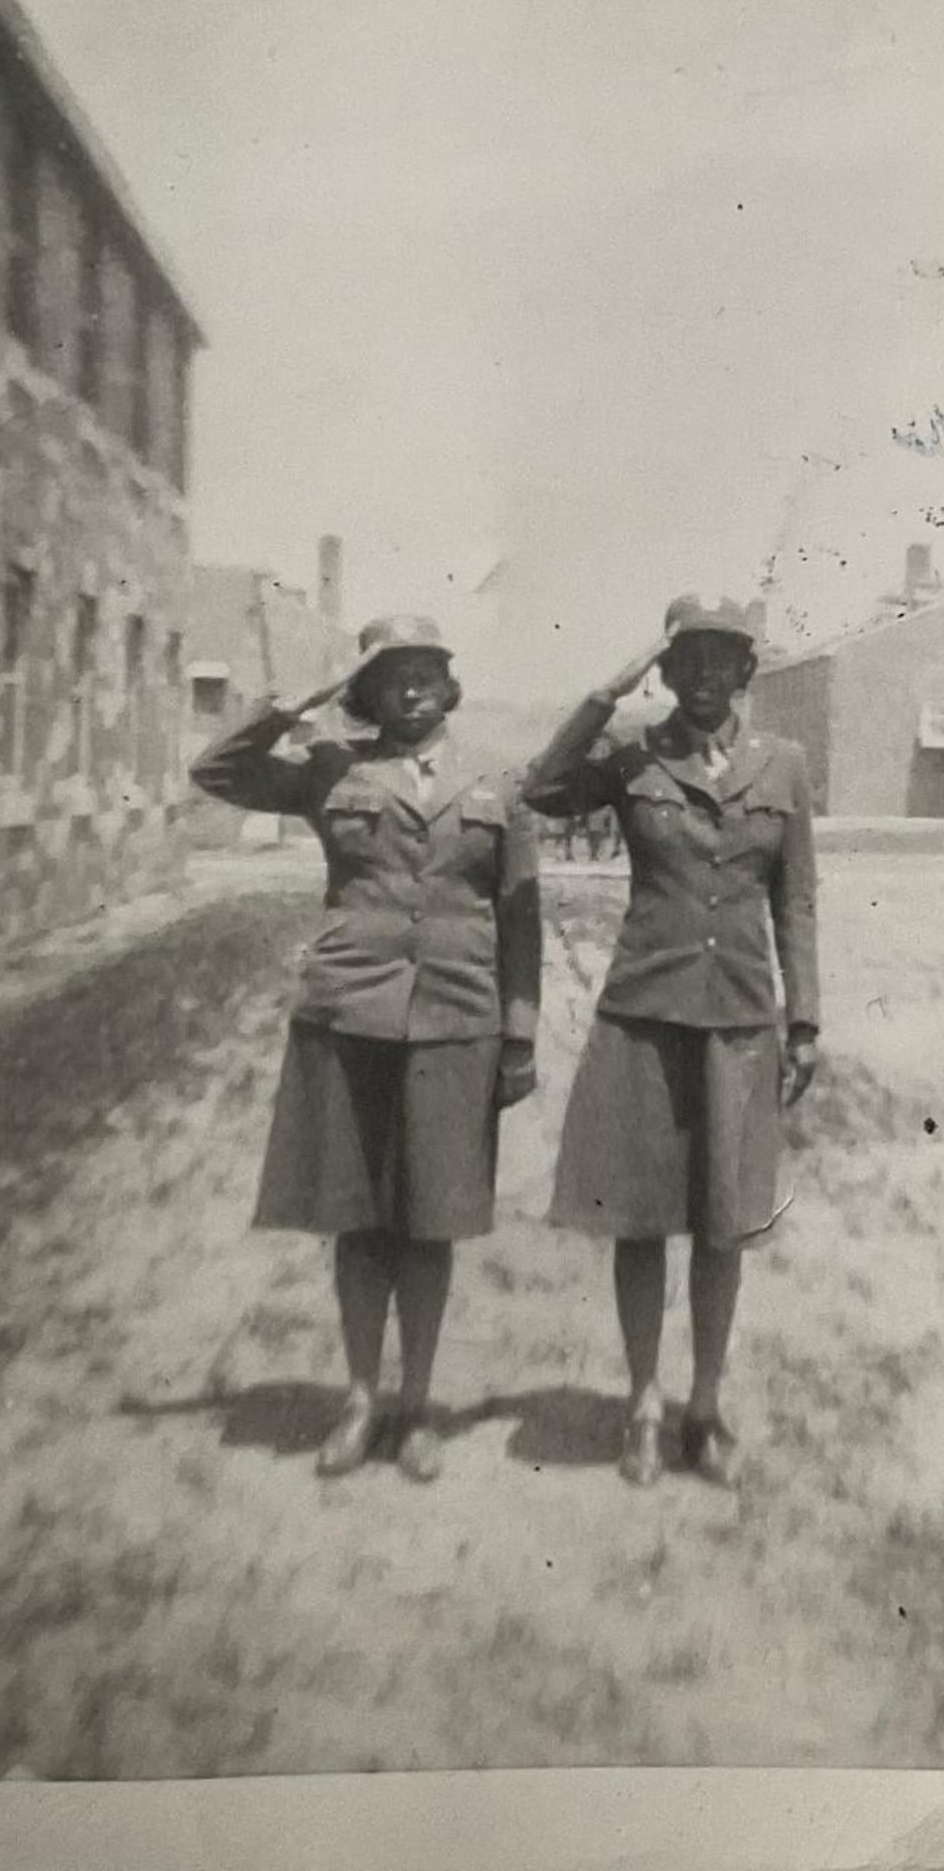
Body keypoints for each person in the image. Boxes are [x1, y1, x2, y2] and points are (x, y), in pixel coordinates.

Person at [189, 615, 541, 1484]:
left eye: (426, 669)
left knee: (430, 1222)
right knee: (358, 1218)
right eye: (393, 673)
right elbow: (216, 770)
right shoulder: (331, 768)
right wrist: (292, 703)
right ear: (369, 689)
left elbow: (523, 918)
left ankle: (416, 1403)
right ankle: (358, 1397)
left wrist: (520, 1034)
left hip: (458, 1017)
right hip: (350, 1012)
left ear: (449, 683)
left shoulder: (497, 776)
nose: (412, 685)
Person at [521, 595, 820, 1490]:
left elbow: (795, 898)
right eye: (684, 660)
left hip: (737, 1019)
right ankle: (645, 1404)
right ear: (665, 667)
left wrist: (802, 1016)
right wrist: (604, 694)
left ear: (745, 671)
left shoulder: (786, 764)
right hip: (644, 1019)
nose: (702, 676)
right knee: (643, 1221)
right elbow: (540, 790)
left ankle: (707, 1405)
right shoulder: (636, 753)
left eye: (720, 660)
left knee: (724, 1226)